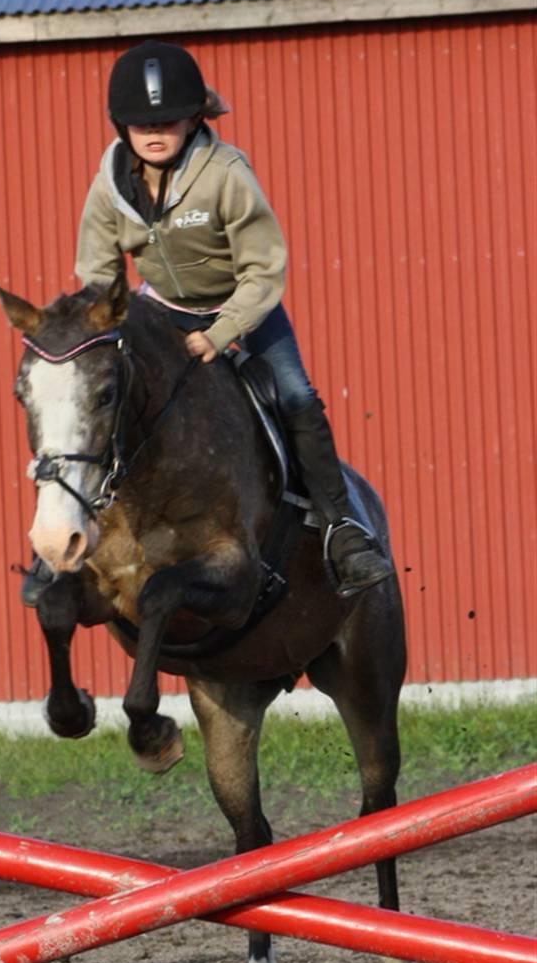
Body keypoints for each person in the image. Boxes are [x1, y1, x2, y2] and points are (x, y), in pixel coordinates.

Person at [22, 40, 393, 605]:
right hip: (159, 310)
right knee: (98, 392)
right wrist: (96, 330)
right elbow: (97, 274)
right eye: (141, 123)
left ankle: (342, 530)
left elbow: (263, 270)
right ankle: (68, 535)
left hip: (242, 306)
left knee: (295, 395)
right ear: (122, 126)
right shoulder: (110, 185)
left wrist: (220, 335)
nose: (154, 132)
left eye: (167, 121)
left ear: (194, 119)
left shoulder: (225, 173)